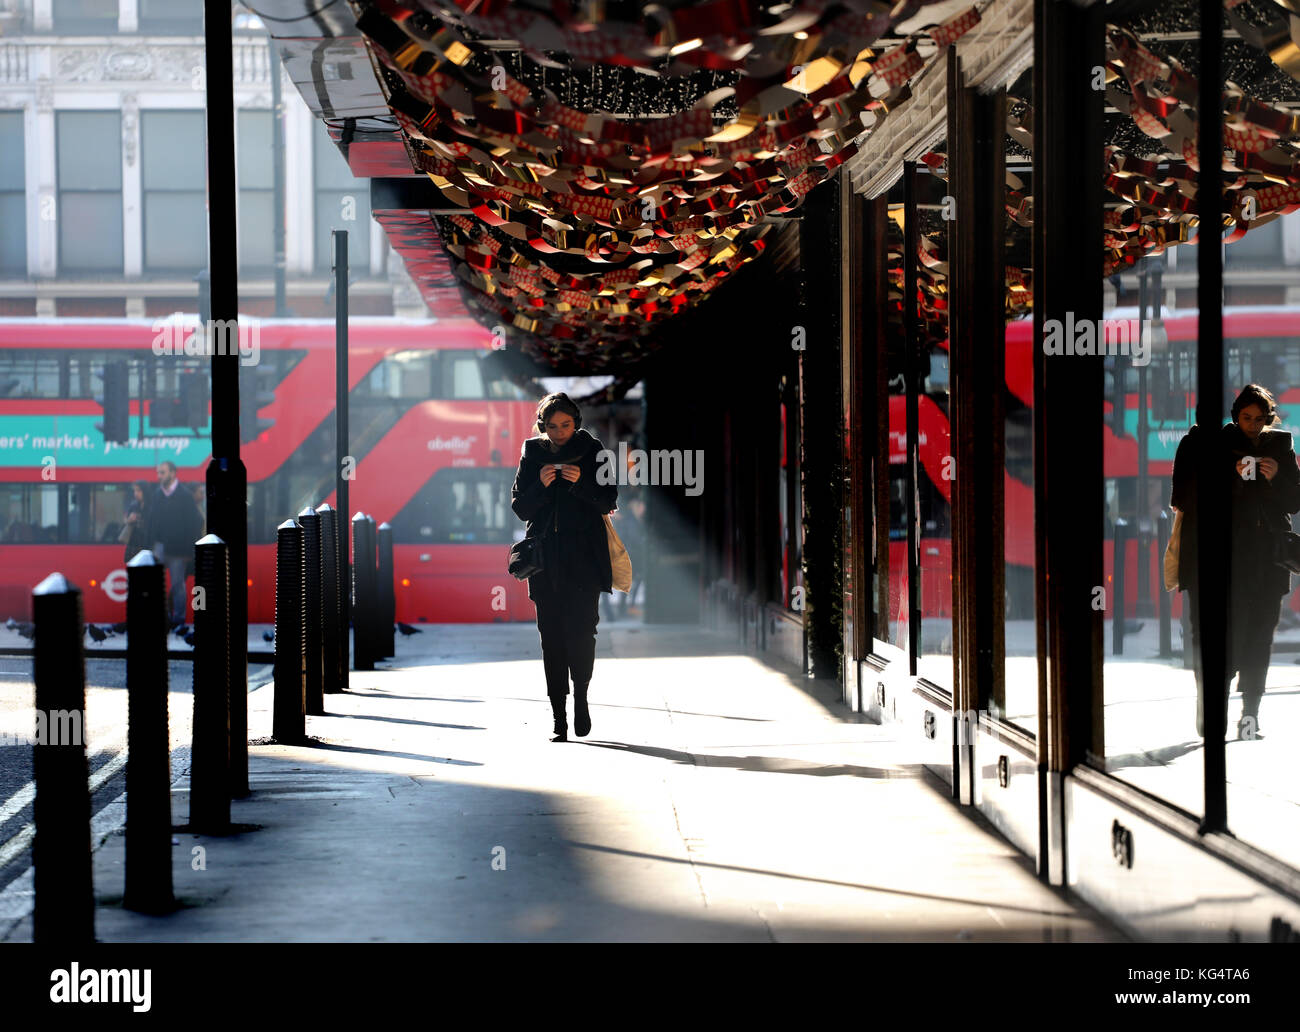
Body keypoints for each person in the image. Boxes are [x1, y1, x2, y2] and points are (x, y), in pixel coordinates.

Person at [1170, 384, 1300, 740]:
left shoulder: (1281, 446)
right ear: (1235, 416)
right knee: (1229, 636)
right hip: (1229, 561)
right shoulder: (1218, 445)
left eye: (1260, 419)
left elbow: (1294, 501)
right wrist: (1234, 478)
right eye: (1247, 418)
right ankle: (1213, 709)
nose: (1254, 426)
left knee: (1261, 637)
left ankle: (1250, 717)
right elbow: (1186, 498)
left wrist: (1274, 479)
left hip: (1268, 561)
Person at [511, 393, 617, 742]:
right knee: (551, 638)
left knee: (583, 633)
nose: (559, 433)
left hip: (584, 558)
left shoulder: (593, 451)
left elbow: (608, 500)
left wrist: (579, 484)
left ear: (576, 423)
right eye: (552, 427)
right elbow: (520, 508)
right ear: (543, 426)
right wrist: (540, 486)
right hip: (543, 561)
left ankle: (581, 699)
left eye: (566, 425)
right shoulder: (532, 454)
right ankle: (559, 717)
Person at [145, 461, 204, 626]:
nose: (159, 476)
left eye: (162, 473)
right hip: (159, 546)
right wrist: (149, 546)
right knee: (156, 585)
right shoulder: (157, 495)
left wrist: (189, 551)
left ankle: (178, 620)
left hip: (178, 549)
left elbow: (194, 523)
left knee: (178, 585)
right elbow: (151, 521)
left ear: (173, 473)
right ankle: (161, 619)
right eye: (158, 473)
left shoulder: (184, 495)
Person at [118, 479, 152, 563]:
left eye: (139, 490)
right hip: (133, 545)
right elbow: (124, 522)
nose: (136, 493)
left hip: (148, 546)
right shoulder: (133, 505)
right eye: (134, 491)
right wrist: (128, 520)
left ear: (145, 491)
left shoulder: (152, 506)